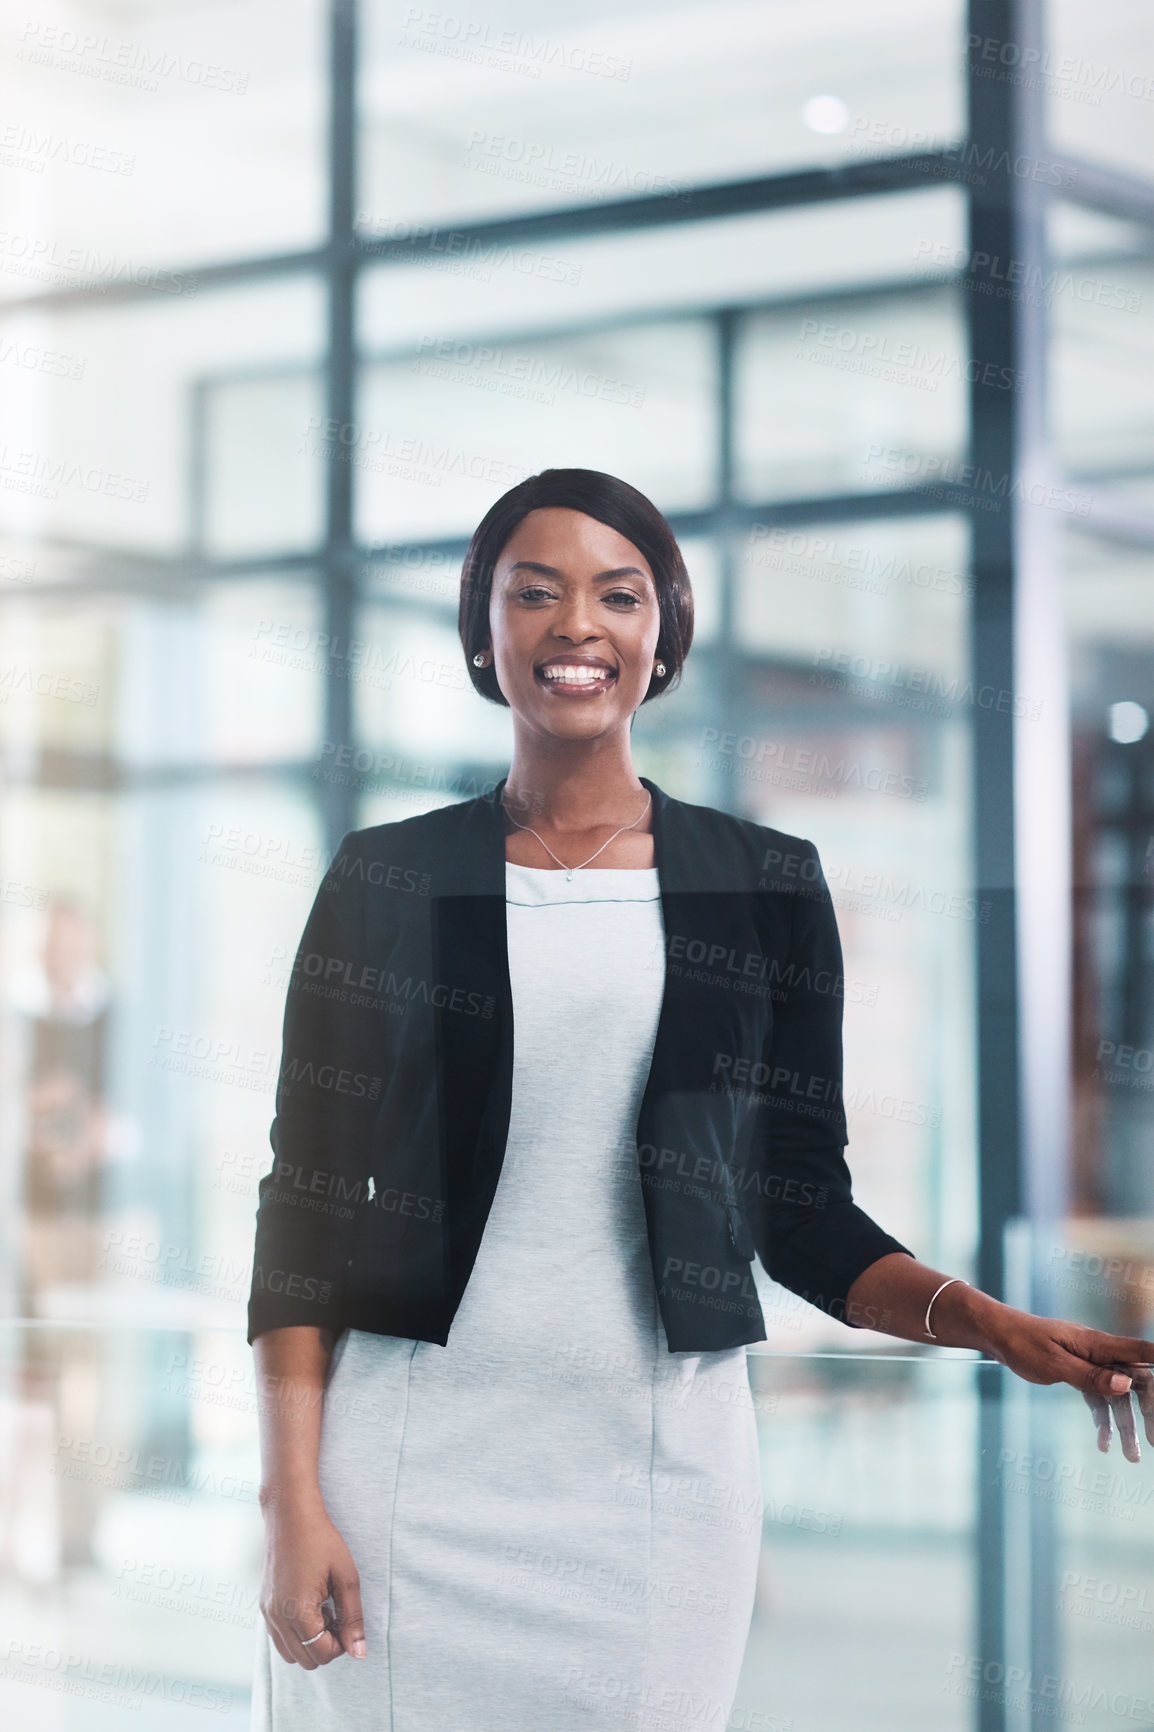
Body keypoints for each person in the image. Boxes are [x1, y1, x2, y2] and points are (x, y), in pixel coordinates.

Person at [248, 468, 1153, 1731]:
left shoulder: (761, 884)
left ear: (660, 634)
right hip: (407, 1478)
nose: (577, 625)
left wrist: (993, 1325)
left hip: (659, 1484)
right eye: (534, 592)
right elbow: (302, 1212)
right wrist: (290, 1498)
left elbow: (801, 1212)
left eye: (618, 595)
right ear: (483, 630)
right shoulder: (388, 878)